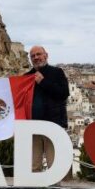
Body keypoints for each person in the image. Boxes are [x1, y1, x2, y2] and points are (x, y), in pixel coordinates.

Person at [25, 45, 69, 173]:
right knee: (33, 165)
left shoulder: (57, 72)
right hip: (33, 126)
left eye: (38, 54)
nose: (36, 58)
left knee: (54, 164)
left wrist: (43, 82)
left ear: (46, 55)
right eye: (33, 56)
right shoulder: (27, 77)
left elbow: (63, 93)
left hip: (53, 125)